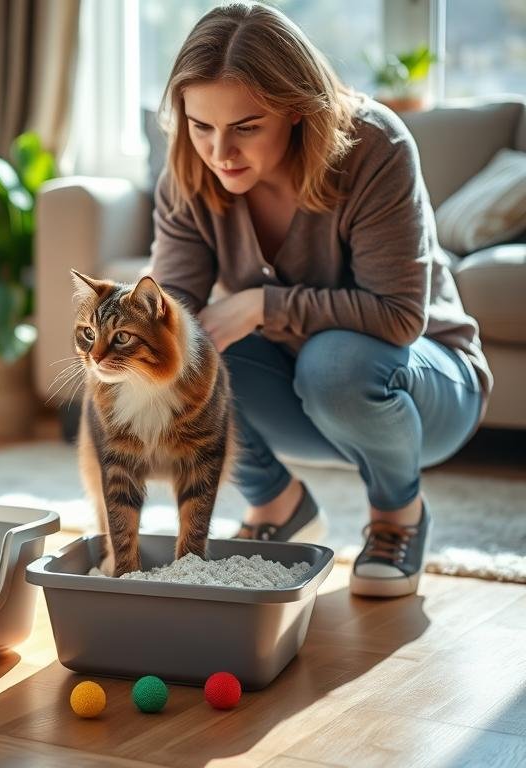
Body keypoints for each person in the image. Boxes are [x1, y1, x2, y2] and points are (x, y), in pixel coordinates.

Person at [150, 1, 491, 598]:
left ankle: (397, 518)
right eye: (201, 125)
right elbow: (173, 313)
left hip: (427, 385)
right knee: (182, 355)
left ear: (297, 110)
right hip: (306, 397)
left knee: (334, 361)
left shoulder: (374, 145)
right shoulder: (189, 170)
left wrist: (262, 304)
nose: (219, 151)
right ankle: (278, 504)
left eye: (245, 127)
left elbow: (400, 316)